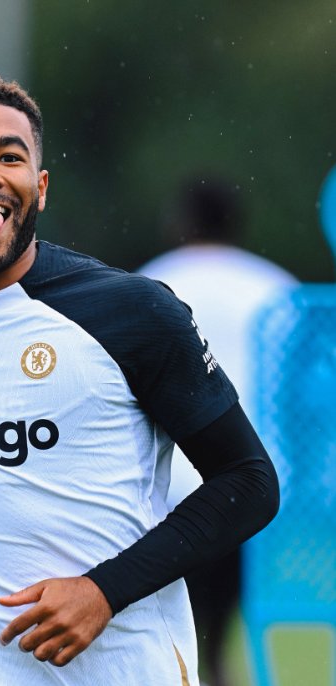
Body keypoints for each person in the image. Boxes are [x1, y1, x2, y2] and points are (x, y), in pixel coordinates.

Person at [0, 73, 279, 686]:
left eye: (9, 157)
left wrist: (103, 590)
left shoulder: (132, 312)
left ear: (40, 188)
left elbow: (249, 482)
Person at [139, 177, 297, 686]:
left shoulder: (148, 283)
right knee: (232, 609)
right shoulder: (276, 288)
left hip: (168, 483)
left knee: (174, 612)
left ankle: (197, 669)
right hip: (263, 478)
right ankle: (218, 667)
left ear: (180, 222)